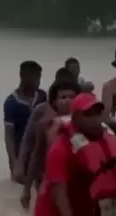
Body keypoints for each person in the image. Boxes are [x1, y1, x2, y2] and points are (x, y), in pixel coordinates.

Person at [32, 93, 116, 216]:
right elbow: (59, 194)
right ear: (75, 117)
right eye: (88, 114)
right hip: (55, 213)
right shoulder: (60, 149)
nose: (94, 119)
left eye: (97, 113)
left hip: (83, 209)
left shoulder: (104, 139)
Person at [18, 80, 79, 209]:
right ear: (54, 102)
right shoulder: (47, 126)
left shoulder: (84, 125)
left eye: (72, 97)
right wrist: (27, 189)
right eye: (63, 97)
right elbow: (36, 157)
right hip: (50, 182)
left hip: (76, 182)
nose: (68, 101)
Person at [5, 61, 47, 182]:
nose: (39, 81)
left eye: (39, 77)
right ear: (24, 77)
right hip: (21, 155)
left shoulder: (42, 96)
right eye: (36, 78)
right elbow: (9, 136)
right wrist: (14, 162)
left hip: (39, 154)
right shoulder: (12, 102)